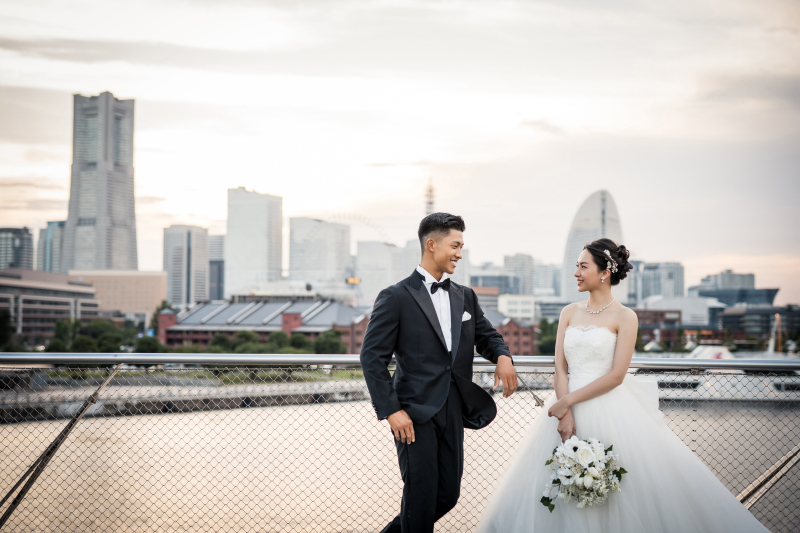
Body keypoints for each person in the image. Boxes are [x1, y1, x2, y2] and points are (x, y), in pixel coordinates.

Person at [477, 238, 769, 533]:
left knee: (616, 490)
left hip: (609, 406)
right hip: (564, 407)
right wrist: (565, 411)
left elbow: (617, 375)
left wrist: (567, 401)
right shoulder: (568, 312)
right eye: (576, 266)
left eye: (583, 266)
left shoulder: (626, 317)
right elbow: (561, 368)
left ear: (604, 272)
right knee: (555, 488)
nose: (576, 273)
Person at [360, 212, 518, 533]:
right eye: (455, 245)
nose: (460, 253)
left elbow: (487, 336)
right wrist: (391, 411)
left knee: (447, 494)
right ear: (432, 245)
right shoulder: (395, 297)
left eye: (462, 246)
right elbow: (371, 358)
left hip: (454, 408)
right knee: (420, 497)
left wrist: (502, 356)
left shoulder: (465, 296)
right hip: (413, 412)